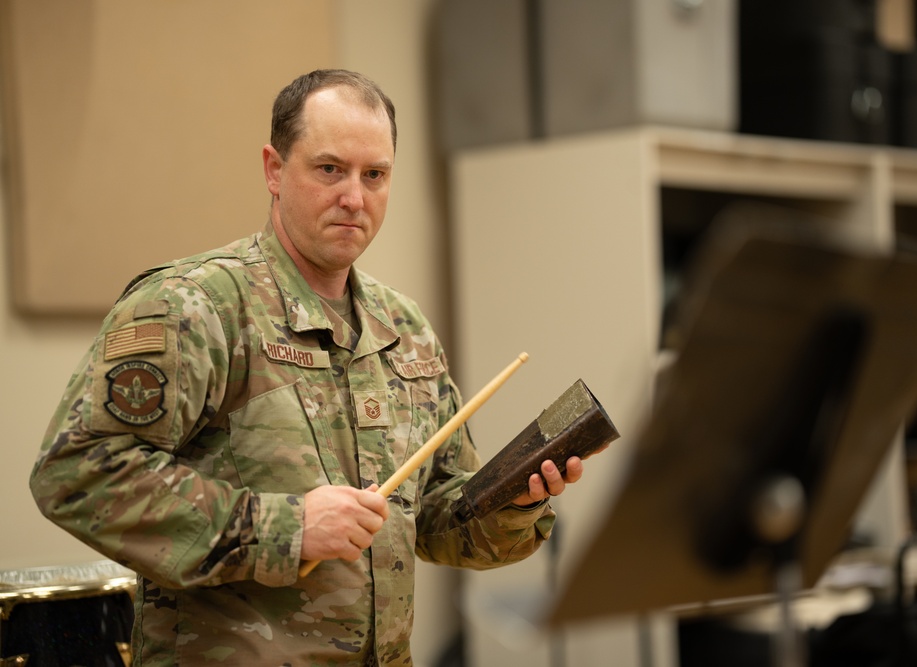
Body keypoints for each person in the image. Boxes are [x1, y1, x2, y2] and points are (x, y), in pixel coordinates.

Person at [30, 69, 586, 666]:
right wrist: (286, 527)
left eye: (374, 175)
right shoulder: (195, 306)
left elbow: (435, 524)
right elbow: (76, 475)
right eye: (330, 169)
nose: (355, 197)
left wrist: (516, 501)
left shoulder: (405, 328)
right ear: (274, 169)